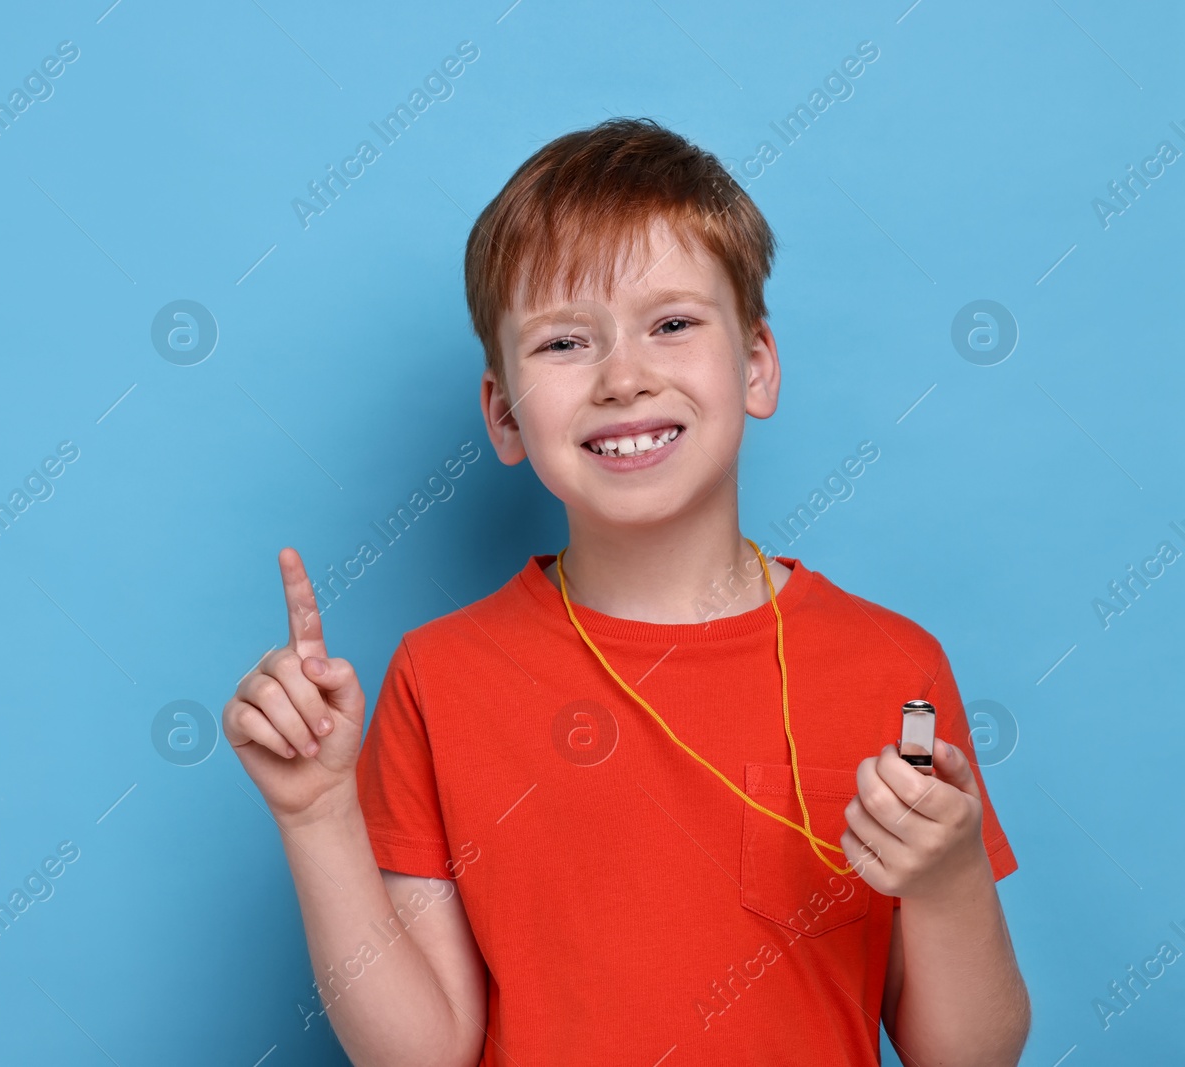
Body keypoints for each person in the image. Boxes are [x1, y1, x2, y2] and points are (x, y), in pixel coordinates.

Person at [222, 117, 1028, 1066]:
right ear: (503, 414)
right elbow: (425, 1052)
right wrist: (317, 817)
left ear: (757, 365)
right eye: (566, 342)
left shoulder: (892, 667)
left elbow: (970, 1055)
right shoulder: (439, 678)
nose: (624, 376)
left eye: (674, 324)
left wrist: (949, 878)